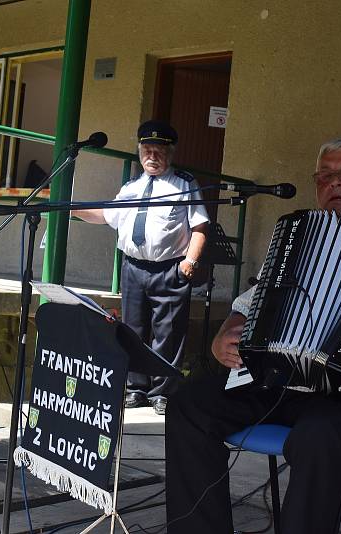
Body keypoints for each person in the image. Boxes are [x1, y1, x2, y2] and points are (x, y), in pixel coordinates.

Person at [165, 138, 341, 533]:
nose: (335, 184)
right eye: (325, 176)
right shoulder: (295, 236)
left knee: (319, 434)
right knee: (188, 404)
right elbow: (249, 305)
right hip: (277, 381)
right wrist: (224, 336)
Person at [71, 120, 209, 416]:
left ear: (170, 153)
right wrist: (72, 208)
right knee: (132, 330)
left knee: (168, 332)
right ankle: (135, 387)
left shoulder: (185, 184)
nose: (152, 156)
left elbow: (200, 226)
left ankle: (163, 392)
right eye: (147, 149)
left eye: (159, 151)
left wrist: (190, 261)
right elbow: (107, 216)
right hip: (133, 267)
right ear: (139, 151)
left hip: (170, 268)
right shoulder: (131, 187)